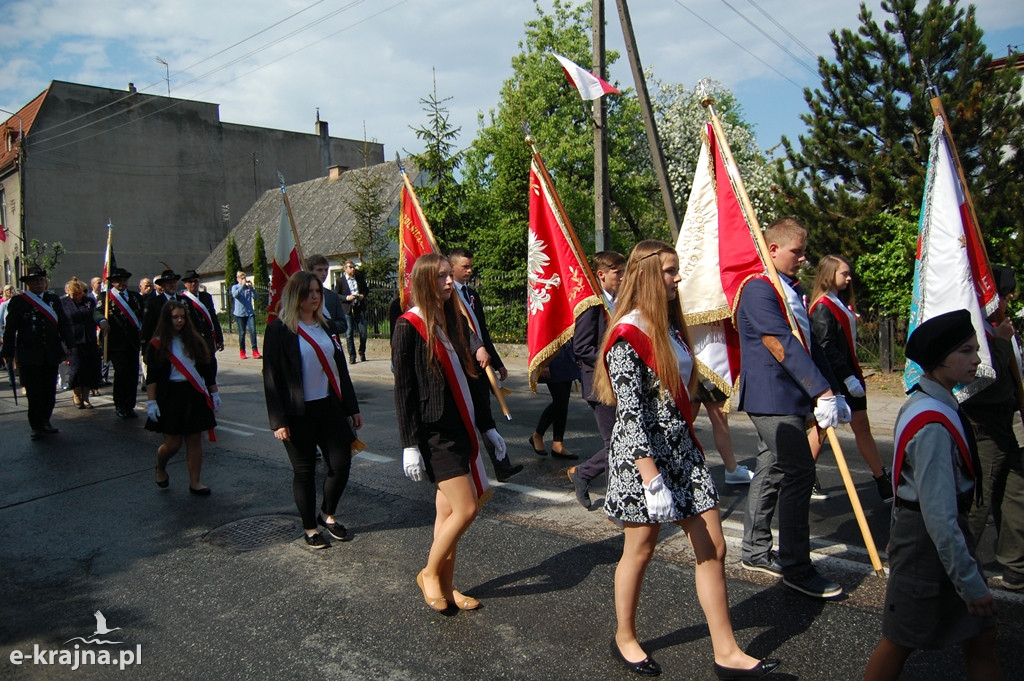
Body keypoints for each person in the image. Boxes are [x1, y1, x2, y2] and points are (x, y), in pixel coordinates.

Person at [593, 240, 780, 679]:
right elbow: (631, 412)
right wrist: (651, 478)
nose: (677, 278)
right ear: (647, 276)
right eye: (670, 271)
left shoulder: (670, 328)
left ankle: (727, 651)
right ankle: (625, 635)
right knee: (639, 549)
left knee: (713, 547)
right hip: (643, 458)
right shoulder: (627, 335)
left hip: (680, 450)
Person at [862, 309, 1003, 681]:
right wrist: (971, 585)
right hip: (928, 542)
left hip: (930, 537)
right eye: (967, 352)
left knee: (981, 634)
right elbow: (938, 514)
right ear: (941, 360)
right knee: (900, 640)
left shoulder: (935, 403)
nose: (976, 360)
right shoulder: (932, 422)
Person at [737, 217, 846, 598]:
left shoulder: (790, 289)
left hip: (792, 394)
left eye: (802, 251)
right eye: (796, 251)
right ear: (772, 249)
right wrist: (821, 393)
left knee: (770, 468)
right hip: (771, 396)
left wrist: (834, 389)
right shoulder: (758, 288)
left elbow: (810, 345)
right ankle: (798, 567)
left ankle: (754, 548)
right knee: (799, 472)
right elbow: (778, 341)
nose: (802, 258)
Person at [392, 253, 506, 612]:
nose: (448, 282)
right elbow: (404, 391)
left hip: (461, 425)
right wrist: (409, 444)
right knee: (467, 508)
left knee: (447, 516)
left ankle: (447, 584)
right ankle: (428, 573)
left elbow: (473, 380)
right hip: (433, 433)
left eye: (448, 276)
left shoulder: (452, 319)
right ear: (425, 280)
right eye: (441, 276)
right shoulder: (407, 326)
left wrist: (488, 427)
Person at [263, 271, 363, 549]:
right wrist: (278, 421)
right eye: (309, 292)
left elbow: (340, 370)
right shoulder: (279, 330)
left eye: (318, 291)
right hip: (297, 413)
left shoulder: (327, 327)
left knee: (341, 464)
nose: (316, 296)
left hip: (329, 407)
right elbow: (271, 377)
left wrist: (351, 407)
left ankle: (326, 513)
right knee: (304, 472)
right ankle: (310, 528)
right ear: (296, 296)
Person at [807, 255, 892, 502]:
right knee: (822, 429)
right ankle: (805, 475)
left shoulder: (837, 302)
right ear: (829, 274)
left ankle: (881, 478)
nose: (848, 277)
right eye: (843, 273)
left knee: (861, 427)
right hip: (836, 379)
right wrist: (846, 377)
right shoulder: (823, 306)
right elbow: (826, 347)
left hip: (849, 375)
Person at [963, 265, 1024, 591]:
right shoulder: (980, 331)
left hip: (1009, 421)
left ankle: (1016, 568)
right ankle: (957, 568)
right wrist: (999, 343)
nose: (1009, 297)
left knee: (1014, 494)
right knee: (979, 499)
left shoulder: (1001, 327)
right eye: (1003, 292)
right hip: (984, 423)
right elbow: (982, 376)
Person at [448, 247, 523, 482]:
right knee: (466, 417)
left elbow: (482, 332)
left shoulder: (471, 295)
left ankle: (502, 465)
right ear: (452, 268)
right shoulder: (448, 297)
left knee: (485, 415)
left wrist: (497, 362)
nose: (470, 270)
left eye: (471, 266)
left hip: (481, 364)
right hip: (462, 365)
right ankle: (456, 469)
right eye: (465, 267)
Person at [568, 251, 625, 508]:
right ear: (601, 275)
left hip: (619, 381)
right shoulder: (592, 305)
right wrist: (613, 361)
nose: (624, 277)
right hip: (600, 384)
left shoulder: (621, 301)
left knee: (624, 440)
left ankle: (590, 476)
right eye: (618, 273)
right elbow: (581, 347)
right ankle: (589, 478)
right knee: (615, 443)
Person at [145, 300, 219, 495]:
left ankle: (195, 482)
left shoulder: (194, 341)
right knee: (173, 444)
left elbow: (205, 369)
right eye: (175, 317)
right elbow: (151, 377)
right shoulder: (157, 344)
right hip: (170, 395)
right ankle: (161, 466)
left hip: (192, 392)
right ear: (166, 320)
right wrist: (151, 402)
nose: (179, 321)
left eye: (182, 317)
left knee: (195, 439)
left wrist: (214, 392)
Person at [1, 266, 74, 439]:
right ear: (28, 284)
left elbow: (63, 323)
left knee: (49, 390)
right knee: (34, 392)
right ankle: (36, 425)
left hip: (50, 352)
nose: (39, 283)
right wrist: (8, 351)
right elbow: (10, 328)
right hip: (29, 354)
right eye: (35, 281)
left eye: (41, 280)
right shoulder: (19, 302)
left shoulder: (53, 299)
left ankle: (46, 421)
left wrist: (70, 343)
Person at [689, 321, 755, 486]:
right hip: (698, 360)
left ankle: (731, 468)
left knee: (690, 419)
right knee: (695, 418)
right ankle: (731, 469)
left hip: (703, 360)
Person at [97, 267, 144, 418]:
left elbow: (142, 316)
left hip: (132, 343)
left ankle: (130, 406)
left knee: (132, 375)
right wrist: (102, 320)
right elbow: (96, 312)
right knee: (121, 374)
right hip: (116, 344)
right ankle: (120, 405)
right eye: (118, 281)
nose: (121, 283)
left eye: (124, 280)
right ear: (112, 282)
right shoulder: (106, 297)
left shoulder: (135, 297)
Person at [528, 341, 580, 459]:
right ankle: (538, 434)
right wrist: (545, 362)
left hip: (567, 356)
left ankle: (558, 444)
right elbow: (542, 332)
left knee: (564, 402)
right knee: (560, 401)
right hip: (552, 357)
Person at [61, 277, 104, 409]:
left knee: (89, 370)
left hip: (89, 341)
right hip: (74, 342)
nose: (78, 297)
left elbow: (95, 315)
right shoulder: (63, 303)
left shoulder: (89, 302)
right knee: (76, 370)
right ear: (68, 292)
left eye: (80, 294)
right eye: (75, 294)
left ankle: (86, 398)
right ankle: (76, 395)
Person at [179, 270, 224, 380]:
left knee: (211, 367)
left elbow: (213, 318)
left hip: (208, 338)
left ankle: (211, 392)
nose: (193, 284)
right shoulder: (182, 299)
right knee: (196, 369)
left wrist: (219, 339)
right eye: (190, 282)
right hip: (193, 338)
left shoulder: (206, 297)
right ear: (185, 284)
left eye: (195, 281)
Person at [305, 254, 347, 337]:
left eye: (326, 270)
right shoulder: (303, 295)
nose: (324, 273)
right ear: (310, 271)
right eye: (320, 270)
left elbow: (343, 325)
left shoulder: (333, 296)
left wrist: (326, 325)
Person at [337, 259, 368, 363]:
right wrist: (347, 298)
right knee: (349, 333)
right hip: (347, 309)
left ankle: (362, 351)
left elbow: (366, 289)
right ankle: (352, 356)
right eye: (350, 267)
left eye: (353, 266)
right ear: (345, 269)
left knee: (363, 332)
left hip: (359, 307)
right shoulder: (340, 281)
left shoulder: (359, 278)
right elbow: (337, 295)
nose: (353, 269)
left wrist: (362, 295)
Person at [141, 269, 183, 345]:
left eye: (174, 282)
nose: (172, 285)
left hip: (182, 343)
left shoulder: (185, 301)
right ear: (163, 286)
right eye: (169, 283)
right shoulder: (154, 303)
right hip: (162, 344)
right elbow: (148, 327)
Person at [231, 270, 260, 359]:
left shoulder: (248, 288)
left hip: (250, 313)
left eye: (244, 278)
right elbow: (235, 295)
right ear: (238, 279)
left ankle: (255, 351)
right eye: (242, 278)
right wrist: (242, 286)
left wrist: (252, 289)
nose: (244, 279)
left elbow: (256, 297)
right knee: (242, 333)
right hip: (240, 314)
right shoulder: (235, 287)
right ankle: (242, 351)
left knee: (253, 331)